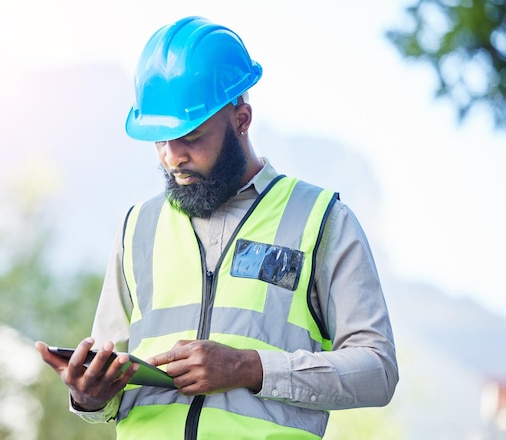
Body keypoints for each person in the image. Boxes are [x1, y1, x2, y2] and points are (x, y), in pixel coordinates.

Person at [36, 15, 398, 439]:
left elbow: (378, 370)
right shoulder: (138, 227)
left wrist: (249, 367)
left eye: (190, 137)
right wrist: (89, 394)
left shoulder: (320, 220)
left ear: (241, 119)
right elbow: (109, 378)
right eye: (159, 140)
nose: (172, 158)